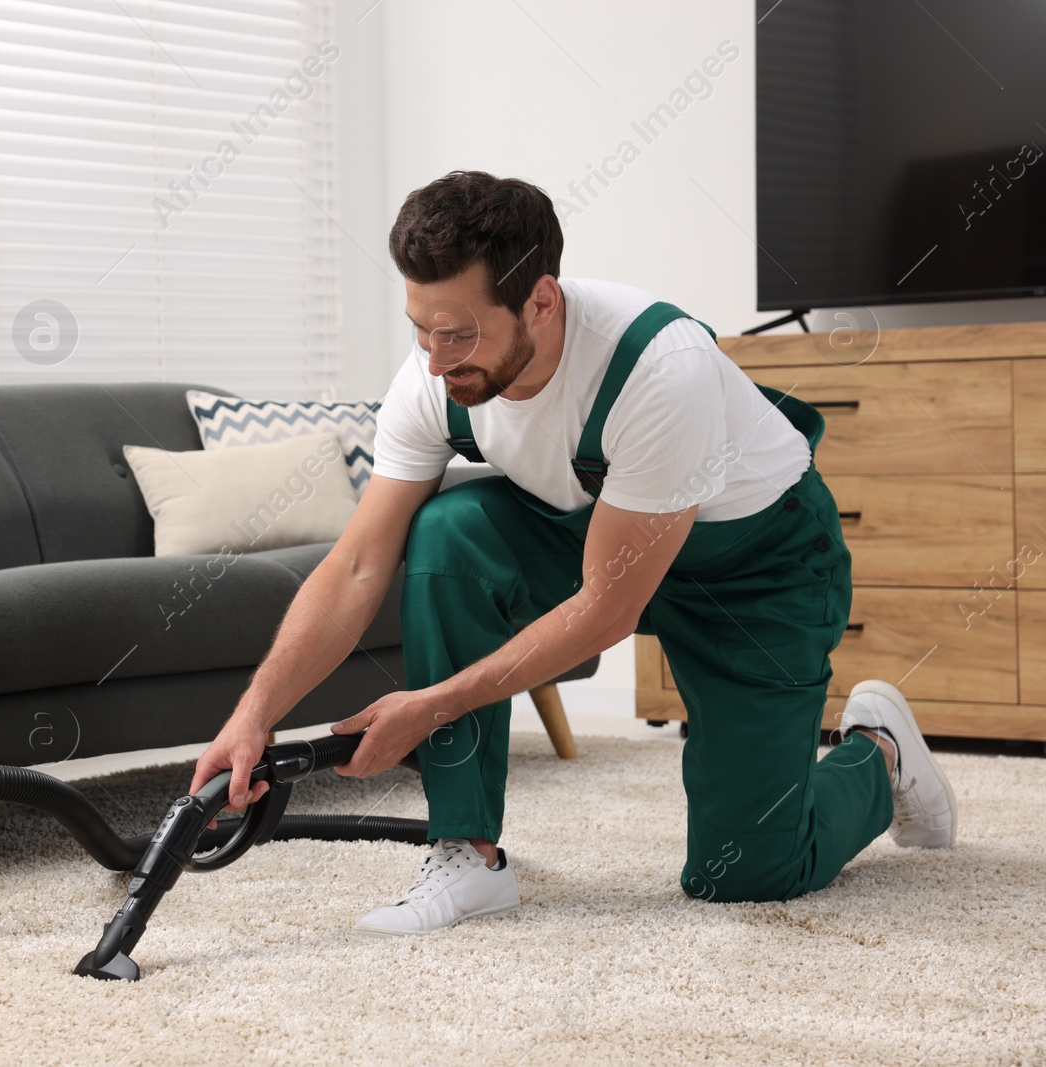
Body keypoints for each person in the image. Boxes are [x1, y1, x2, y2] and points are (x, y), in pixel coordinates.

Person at [188, 170, 956, 935]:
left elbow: (606, 610)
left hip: (755, 570)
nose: (434, 358)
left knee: (748, 874)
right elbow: (358, 564)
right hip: (599, 534)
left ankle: (878, 754)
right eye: (421, 329)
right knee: (450, 532)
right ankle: (468, 851)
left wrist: (426, 708)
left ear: (541, 302)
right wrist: (254, 714)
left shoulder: (660, 371)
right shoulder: (434, 380)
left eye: (457, 333)